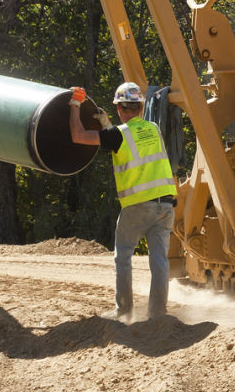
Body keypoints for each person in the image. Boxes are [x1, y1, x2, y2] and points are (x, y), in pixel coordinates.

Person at [70, 80, 177, 323]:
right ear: (140, 107)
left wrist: (75, 103)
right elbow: (129, 142)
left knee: (124, 255)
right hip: (166, 205)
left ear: (119, 109)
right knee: (159, 259)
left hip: (139, 206)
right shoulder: (152, 128)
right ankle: (158, 314)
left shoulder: (118, 135)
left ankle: (125, 311)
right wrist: (107, 125)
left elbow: (78, 136)